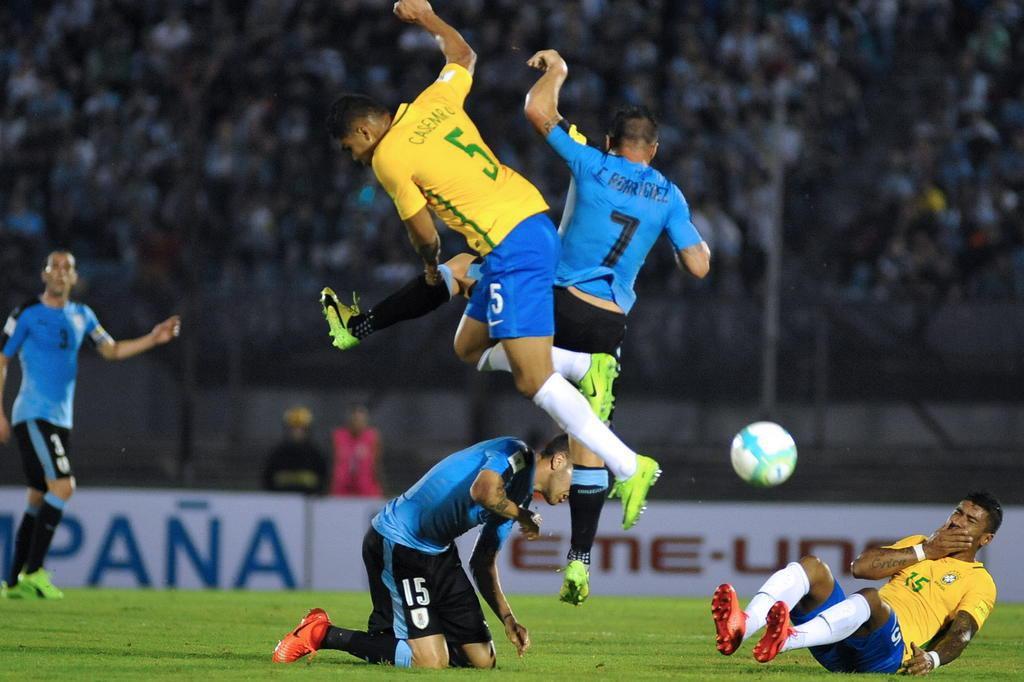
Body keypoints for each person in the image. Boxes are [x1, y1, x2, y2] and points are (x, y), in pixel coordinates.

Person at [321, 44, 709, 603]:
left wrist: (557, 70)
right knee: (492, 360)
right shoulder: (670, 195)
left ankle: (363, 327)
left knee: (463, 281)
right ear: (655, 149)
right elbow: (698, 264)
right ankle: (579, 559)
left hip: (555, 292)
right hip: (610, 325)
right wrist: (677, 236)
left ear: (609, 143)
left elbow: (538, 112)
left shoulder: (590, 161)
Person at [272, 434, 573, 669]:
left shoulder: (517, 499)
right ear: (558, 461)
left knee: (482, 659)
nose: (576, 491)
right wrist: (521, 515)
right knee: (429, 663)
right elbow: (482, 491)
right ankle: (322, 632)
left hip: (440, 553)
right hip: (400, 543)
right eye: (578, 476)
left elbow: (483, 562)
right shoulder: (516, 453)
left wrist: (508, 618)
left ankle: (396, 641)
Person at [0, 250, 180, 599]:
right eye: (55, 266)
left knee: (39, 495)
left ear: (74, 277)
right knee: (64, 486)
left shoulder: (82, 315)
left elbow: (110, 350)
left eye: (67, 268)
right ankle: (33, 572)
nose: (60, 272)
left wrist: (152, 337)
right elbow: (2, 359)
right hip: (34, 414)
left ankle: (11, 584)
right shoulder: (26, 313)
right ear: (44, 274)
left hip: (59, 419)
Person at [711, 492, 1001, 675]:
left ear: (985, 539)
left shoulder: (980, 581)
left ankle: (787, 638)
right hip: (841, 636)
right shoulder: (919, 544)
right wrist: (926, 551)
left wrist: (933, 659)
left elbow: (962, 633)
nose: (957, 521)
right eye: (957, 512)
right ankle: (742, 626)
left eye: (970, 520)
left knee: (873, 600)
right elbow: (860, 567)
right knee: (812, 567)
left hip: (888, 654)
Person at [262, 405, 329, 495]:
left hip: (308, 503)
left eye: (301, 429)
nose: (297, 432)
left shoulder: (315, 454)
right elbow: (267, 479)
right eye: (294, 428)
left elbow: (323, 479)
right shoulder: (278, 453)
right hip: (281, 502)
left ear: (308, 430)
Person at [330, 404, 382, 497]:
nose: (357, 423)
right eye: (355, 420)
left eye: (361, 420)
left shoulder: (371, 437)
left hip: (366, 491)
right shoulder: (338, 436)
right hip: (341, 491)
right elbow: (333, 462)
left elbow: (377, 465)